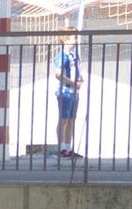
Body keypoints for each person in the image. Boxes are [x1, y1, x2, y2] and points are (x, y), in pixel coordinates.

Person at [54, 28, 83, 159]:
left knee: (71, 119)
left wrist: (80, 79)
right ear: (65, 39)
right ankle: (61, 148)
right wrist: (72, 83)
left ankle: (68, 147)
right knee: (64, 119)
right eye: (73, 38)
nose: (76, 41)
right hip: (65, 92)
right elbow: (58, 74)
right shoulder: (61, 56)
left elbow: (77, 69)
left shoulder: (74, 55)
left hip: (74, 92)